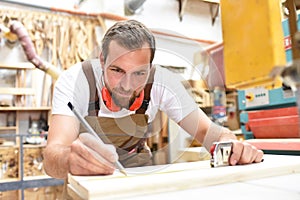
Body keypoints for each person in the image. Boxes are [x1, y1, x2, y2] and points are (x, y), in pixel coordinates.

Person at [43, 19, 264, 179]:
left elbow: (206, 132)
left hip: (138, 175)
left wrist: (230, 145)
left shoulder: (163, 81)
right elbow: (52, 154)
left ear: (151, 68)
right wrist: (68, 160)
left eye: (139, 73)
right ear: (102, 61)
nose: (127, 86)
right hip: (88, 180)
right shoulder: (75, 80)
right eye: (117, 70)